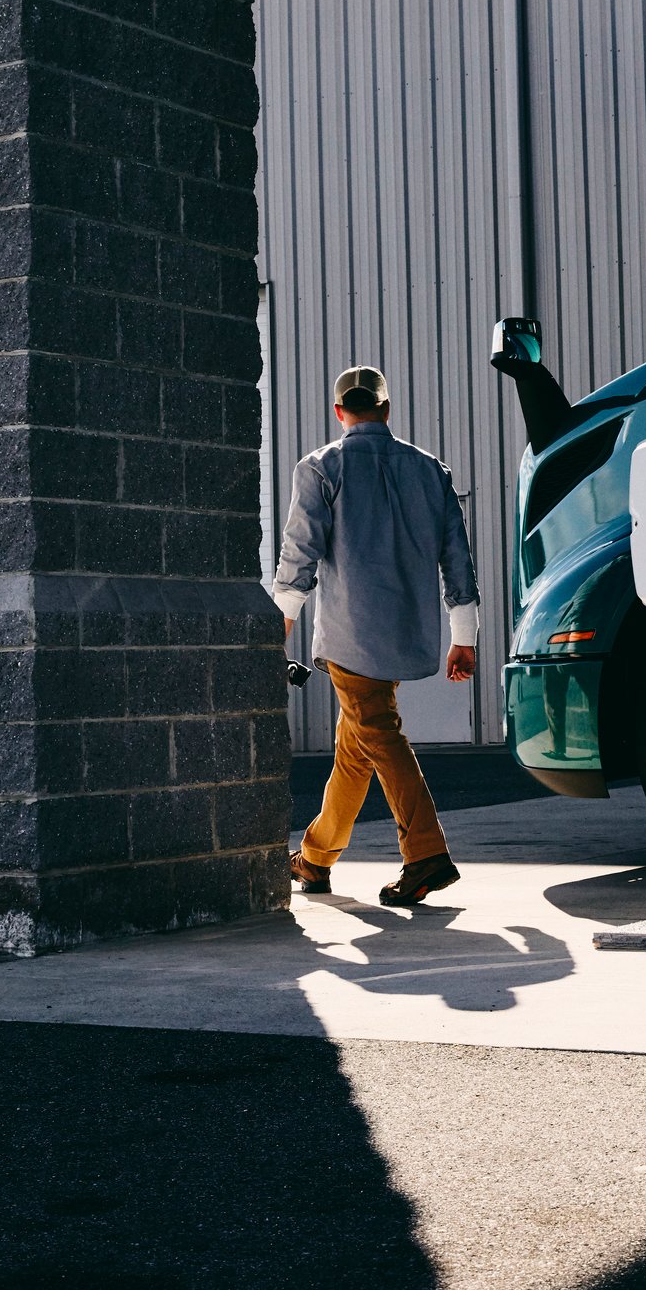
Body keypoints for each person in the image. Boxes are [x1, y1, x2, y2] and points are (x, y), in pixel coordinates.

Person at [273, 365, 479, 905]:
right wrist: (465, 636)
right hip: (407, 633)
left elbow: (300, 555)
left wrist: (277, 631)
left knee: (379, 737)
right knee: (354, 750)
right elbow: (457, 560)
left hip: (350, 635)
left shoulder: (321, 468)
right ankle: (315, 860)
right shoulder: (430, 470)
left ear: (340, 412)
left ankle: (426, 853)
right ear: (386, 409)